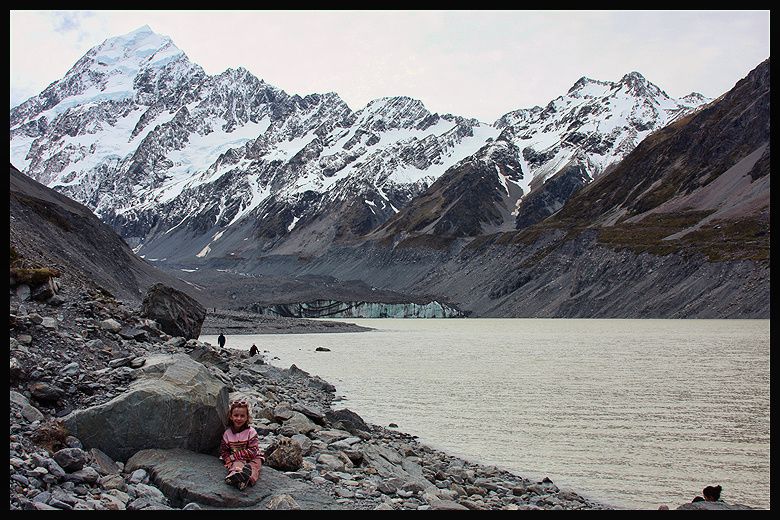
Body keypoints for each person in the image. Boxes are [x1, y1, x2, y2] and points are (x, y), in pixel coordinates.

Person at [220, 400, 264, 491]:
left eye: (242, 416)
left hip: (254, 457)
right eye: (236, 415)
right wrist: (227, 460)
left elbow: (252, 451)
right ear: (231, 417)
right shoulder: (227, 433)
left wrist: (232, 457)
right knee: (236, 465)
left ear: (247, 417)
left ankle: (247, 479)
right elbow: (224, 450)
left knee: (254, 467)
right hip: (238, 458)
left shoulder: (251, 432)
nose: (239, 418)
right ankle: (233, 477)